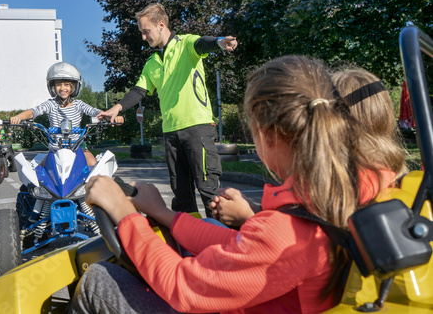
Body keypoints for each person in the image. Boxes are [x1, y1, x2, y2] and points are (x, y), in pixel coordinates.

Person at [69, 56, 396, 313]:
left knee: (100, 280)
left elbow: (183, 287)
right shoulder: (359, 190)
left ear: (266, 136)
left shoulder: (288, 231)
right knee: (202, 229)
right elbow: (246, 241)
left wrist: (124, 212)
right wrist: (163, 215)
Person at [210, 67, 409, 228]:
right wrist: (254, 210)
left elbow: (310, 240)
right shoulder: (393, 177)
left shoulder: (340, 181)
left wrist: (250, 218)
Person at [99, 3, 238, 218]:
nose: (143, 37)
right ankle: (190, 241)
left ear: (161, 25)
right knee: (181, 195)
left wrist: (220, 42)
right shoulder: (152, 62)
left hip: (197, 128)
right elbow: (139, 90)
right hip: (171, 132)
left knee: (208, 189)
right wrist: (116, 108)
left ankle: (221, 240)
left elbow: (203, 44)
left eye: (146, 31)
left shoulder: (185, 44)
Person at [10, 62, 123, 167]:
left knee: (92, 164)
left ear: (73, 86)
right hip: (56, 148)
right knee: (40, 172)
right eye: (59, 84)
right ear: (53, 86)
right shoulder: (50, 104)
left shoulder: (79, 104)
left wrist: (111, 117)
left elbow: (96, 112)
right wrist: (19, 117)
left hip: (78, 146)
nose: (63, 88)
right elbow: (33, 112)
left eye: (67, 84)